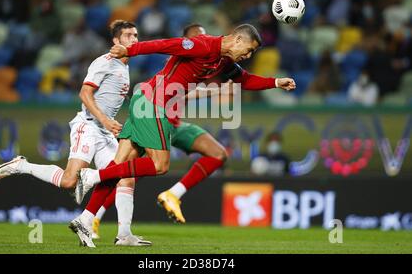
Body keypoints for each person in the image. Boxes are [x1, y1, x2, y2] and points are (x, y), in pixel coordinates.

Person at [74, 24, 296, 239]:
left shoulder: (224, 61)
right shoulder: (203, 45)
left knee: (120, 166)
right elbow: (165, 44)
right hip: (155, 103)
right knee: (160, 165)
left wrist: (276, 82)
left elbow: (245, 79)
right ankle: (93, 175)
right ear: (238, 39)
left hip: (149, 102)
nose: (248, 56)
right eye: (249, 50)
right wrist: (129, 49)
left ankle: (85, 219)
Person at [0, 20, 151, 247]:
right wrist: (105, 119)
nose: (134, 39)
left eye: (136, 35)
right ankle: (22, 165)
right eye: (128, 36)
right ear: (116, 41)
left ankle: (124, 235)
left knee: (125, 176)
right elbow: (85, 94)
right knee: (69, 181)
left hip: (104, 132)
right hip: (87, 126)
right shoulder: (104, 62)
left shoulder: (125, 66)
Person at [90, 24, 234, 240]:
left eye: (205, 35)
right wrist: (210, 94)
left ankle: (173, 194)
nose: (204, 39)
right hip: (156, 121)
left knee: (218, 153)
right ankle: (95, 216)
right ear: (186, 39)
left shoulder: (209, 61)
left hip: (175, 125)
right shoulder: (177, 61)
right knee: (128, 172)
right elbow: (167, 93)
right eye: (198, 36)